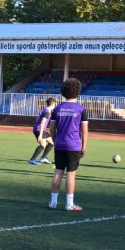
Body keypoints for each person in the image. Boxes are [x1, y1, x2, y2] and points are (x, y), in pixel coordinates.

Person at [48, 78, 88, 211]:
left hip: (59, 145)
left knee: (58, 172)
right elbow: (84, 131)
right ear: (78, 91)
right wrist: (84, 147)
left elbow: (52, 129)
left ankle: (53, 202)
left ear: (63, 91)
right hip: (74, 146)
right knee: (71, 174)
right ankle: (69, 204)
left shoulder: (57, 108)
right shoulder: (81, 109)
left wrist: (55, 140)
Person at [28, 98, 56, 165]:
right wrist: (40, 135)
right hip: (39, 129)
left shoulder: (47, 110)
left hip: (42, 129)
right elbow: (42, 123)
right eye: (55, 104)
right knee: (43, 144)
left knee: (52, 142)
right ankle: (32, 160)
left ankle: (43, 158)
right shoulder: (47, 112)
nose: (55, 105)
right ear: (53, 104)